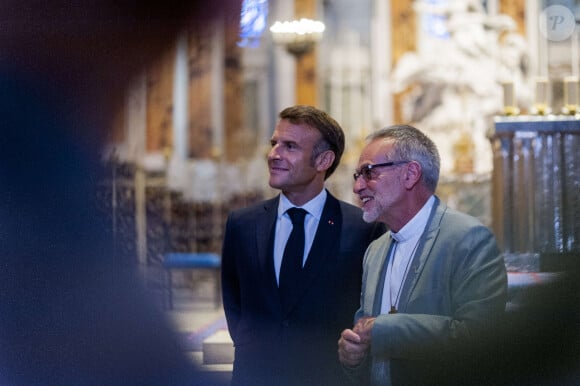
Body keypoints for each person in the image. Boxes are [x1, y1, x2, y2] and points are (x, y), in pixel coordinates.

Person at [221, 105, 385, 386]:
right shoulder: (242, 224)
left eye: (290, 146)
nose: (274, 155)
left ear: (324, 160)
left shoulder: (364, 229)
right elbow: (235, 304)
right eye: (274, 144)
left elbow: (368, 310)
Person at [338, 124, 507, 385]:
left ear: (410, 174)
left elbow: (479, 338)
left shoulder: (468, 238)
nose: (358, 187)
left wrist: (383, 329)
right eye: (357, 175)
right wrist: (353, 356)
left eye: (369, 172)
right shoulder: (375, 249)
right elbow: (364, 337)